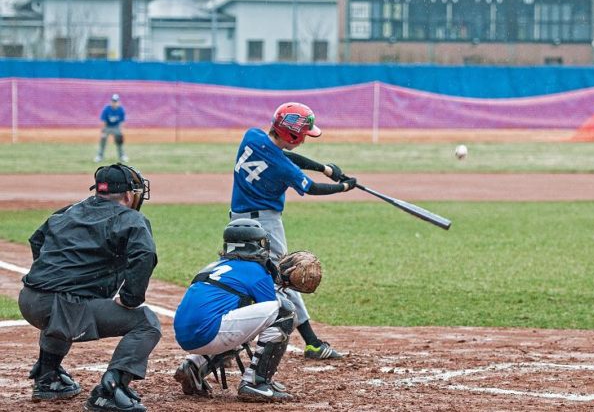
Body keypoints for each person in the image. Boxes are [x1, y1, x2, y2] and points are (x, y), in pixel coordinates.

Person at [18, 163, 159, 412]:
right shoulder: (131, 218)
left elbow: (37, 239)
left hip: (29, 300)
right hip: (61, 307)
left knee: (65, 306)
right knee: (147, 322)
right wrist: (130, 298)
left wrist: (51, 277)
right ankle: (110, 391)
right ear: (128, 195)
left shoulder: (70, 210)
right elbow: (145, 255)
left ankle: (48, 376)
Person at [230, 102, 355, 360]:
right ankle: (312, 343)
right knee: (286, 278)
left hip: (235, 223)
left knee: (239, 278)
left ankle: (226, 343)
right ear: (293, 135)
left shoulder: (251, 136)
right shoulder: (282, 167)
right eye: (303, 135)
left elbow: (283, 156)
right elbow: (310, 188)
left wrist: (325, 168)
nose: (305, 140)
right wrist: (343, 187)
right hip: (265, 226)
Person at [173, 219, 323, 402]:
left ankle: (194, 366)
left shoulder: (215, 266)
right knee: (285, 311)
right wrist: (282, 283)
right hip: (208, 333)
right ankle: (256, 382)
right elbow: (273, 314)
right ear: (255, 245)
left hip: (186, 334)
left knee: (242, 321)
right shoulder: (256, 271)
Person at [95, 93, 128, 163]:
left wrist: (120, 131)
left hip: (116, 127)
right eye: (113, 101)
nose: (114, 103)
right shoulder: (106, 109)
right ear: (111, 101)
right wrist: (103, 132)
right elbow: (104, 121)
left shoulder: (121, 109)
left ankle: (122, 156)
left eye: (116, 101)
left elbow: (122, 121)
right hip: (108, 126)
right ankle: (100, 156)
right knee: (103, 140)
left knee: (119, 140)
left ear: (118, 102)